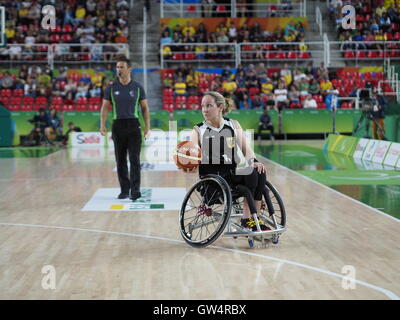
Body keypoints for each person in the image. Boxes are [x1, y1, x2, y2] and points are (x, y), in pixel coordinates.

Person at [186, 91, 271, 232]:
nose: (204, 110)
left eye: (209, 105)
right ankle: (248, 219)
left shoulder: (233, 124)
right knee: (251, 174)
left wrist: (253, 161)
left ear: (220, 107)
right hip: (214, 178)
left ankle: (254, 219)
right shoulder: (198, 130)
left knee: (259, 171)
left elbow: (247, 150)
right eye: (202, 106)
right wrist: (188, 162)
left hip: (233, 172)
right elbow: (192, 152)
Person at [100, 56, 151, 200]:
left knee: (134, 159)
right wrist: (102, 125)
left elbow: (145, 108)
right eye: (117, 67)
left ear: (129, 69)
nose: (119, 70)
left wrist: (148, 127)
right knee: (120, 160)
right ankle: (124, 190)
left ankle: (135, 190)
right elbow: (104, 108)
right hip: (118, 126)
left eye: (121, 67)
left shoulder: (137, 87)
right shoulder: (111, 88)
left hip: (134, 125)